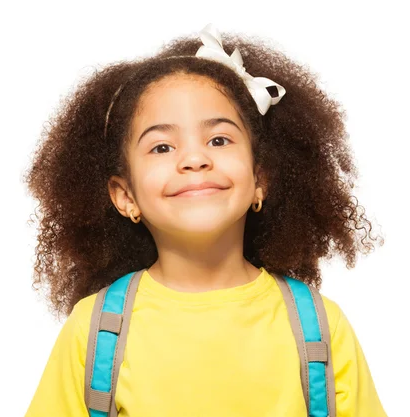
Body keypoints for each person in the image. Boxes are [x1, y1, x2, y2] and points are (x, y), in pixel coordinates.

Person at [23, 23, 387, 417]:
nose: (195, 160)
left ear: (259, 179)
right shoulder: (94, 330)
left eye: (218, 140)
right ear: (126, 197)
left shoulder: (320, 327)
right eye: (162, 146)